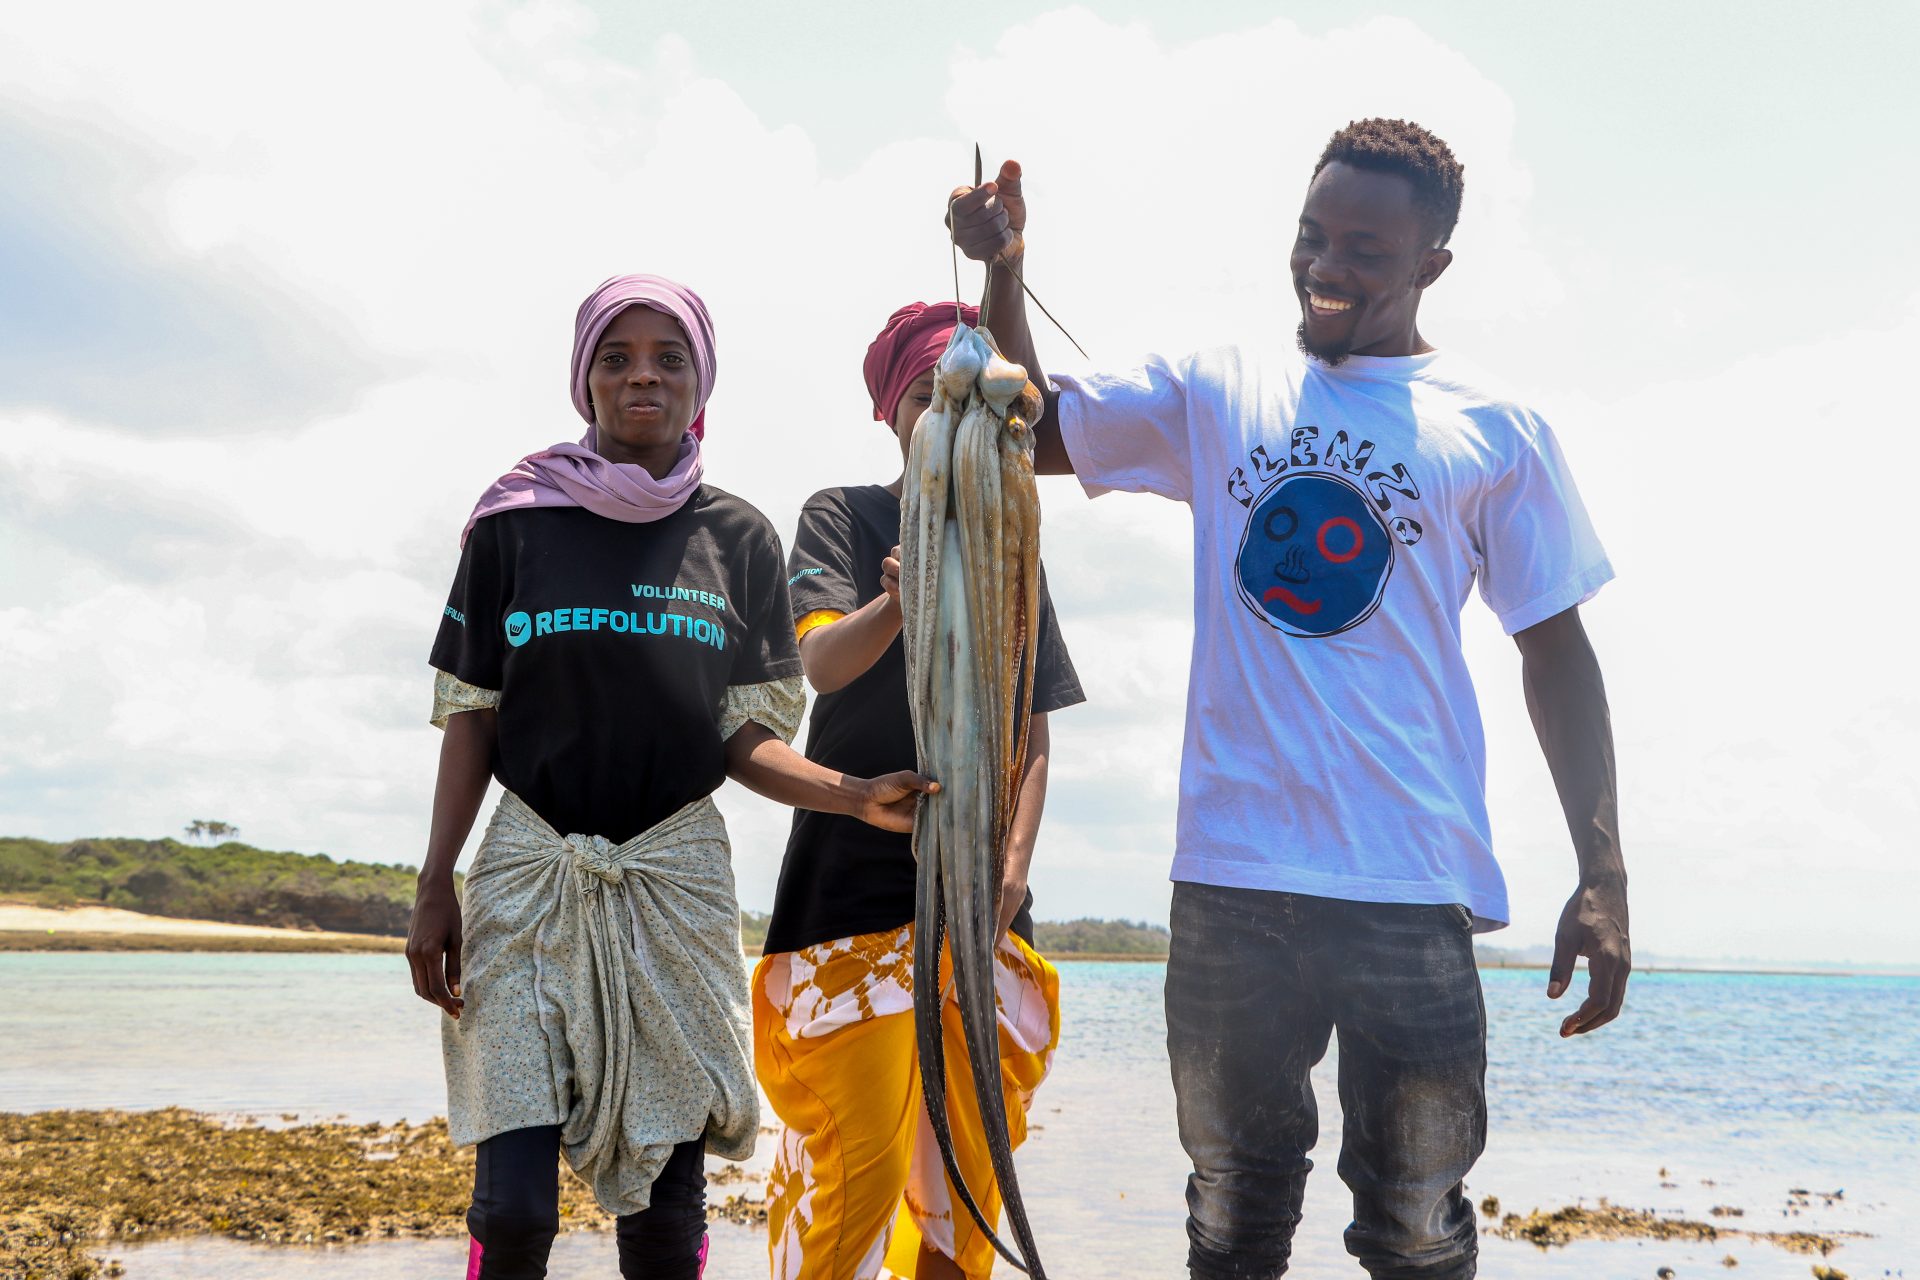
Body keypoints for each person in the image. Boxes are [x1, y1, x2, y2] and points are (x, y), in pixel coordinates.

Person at [949, 119, 1630, 1279]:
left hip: (1409, 884)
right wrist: (1005, 272)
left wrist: (1602, 872)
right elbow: (1035, 427)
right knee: (1232, 1219)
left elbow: (1556, 649)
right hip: (1233, 883)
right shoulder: (1221, 387)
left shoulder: (1495, 427)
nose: (1325, 266)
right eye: (1313, 236)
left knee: (1416, 1225)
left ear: (1432, 264)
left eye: (1365, 249)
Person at [406, 274, 938, 1280]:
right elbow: (472, 714)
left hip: (676, 879)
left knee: (661, 1215)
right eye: (617, 357)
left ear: (702, 381)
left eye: (668, 358)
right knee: (512, 1209)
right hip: (525, 874)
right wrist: (437, 882)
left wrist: (852, 793)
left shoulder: (736, 537)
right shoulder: (516, 525)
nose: (642, 376)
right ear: (584, 378)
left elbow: (743, 738)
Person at [752, 301, 1085, 1280]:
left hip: (981, 901)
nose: (951, 414)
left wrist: (1012, 869)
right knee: (852, 1168)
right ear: (892, 410)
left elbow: (1032, 727)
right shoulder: (843, 514)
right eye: (929, 395)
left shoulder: (1013, 538)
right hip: (851, 893)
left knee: (966, 1184)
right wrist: (899, 600)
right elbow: (822, 664)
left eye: (971, 398)